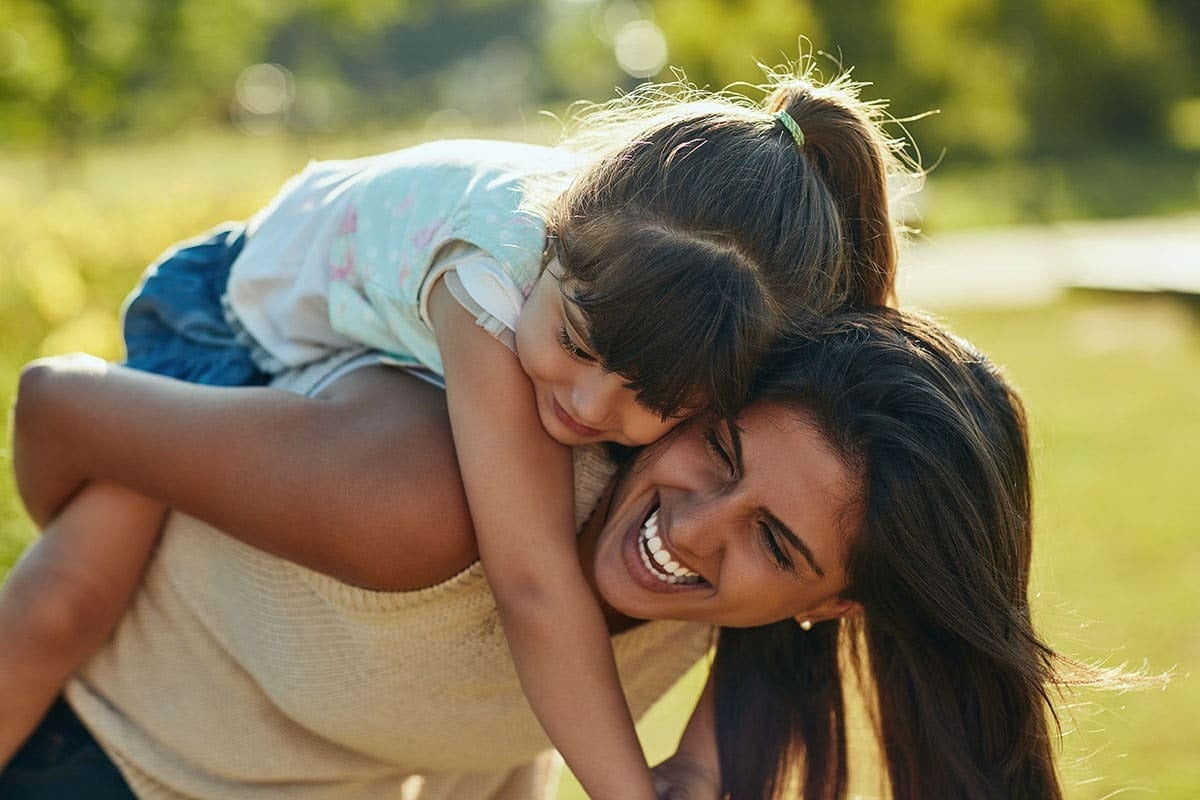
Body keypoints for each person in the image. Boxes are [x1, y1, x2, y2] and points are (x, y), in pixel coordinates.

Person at [0, 60, 914, 798]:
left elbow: (780, 598)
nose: (589, 410)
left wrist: (705, 767)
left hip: (384, 355)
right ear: (561, 244)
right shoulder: (497, 277)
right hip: (233, 319)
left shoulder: (702, 310)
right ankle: (69, 397)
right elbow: (530, 583)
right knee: (65, 604)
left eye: (654, 400)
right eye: (577, 344)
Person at [2, 308, 1113, 799]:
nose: (687, 528)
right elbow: (66, 406)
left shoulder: (750, 656)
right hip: (94, 757)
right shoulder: (429, 492)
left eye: (769, 539)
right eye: (715, 452)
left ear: (832, 608)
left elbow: (482, 720)